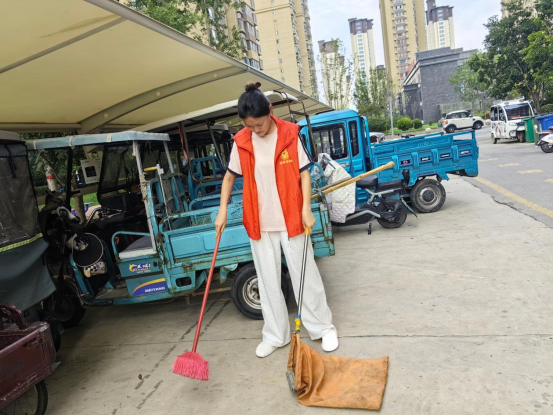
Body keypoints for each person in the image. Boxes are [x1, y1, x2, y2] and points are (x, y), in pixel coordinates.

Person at [215, 82, 339, 358]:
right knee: (268, 280)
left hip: (291, 217)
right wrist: (222, 210)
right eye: (249, 126)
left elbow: (305, 174)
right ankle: (275, 335)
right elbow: (229, 177)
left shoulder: (290, 134)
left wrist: (306, 210)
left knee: (305, 275)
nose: (256, 130)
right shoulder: (242, 141)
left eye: (259, 124)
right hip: (259, 222)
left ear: (270, 111)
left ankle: (322, 328)